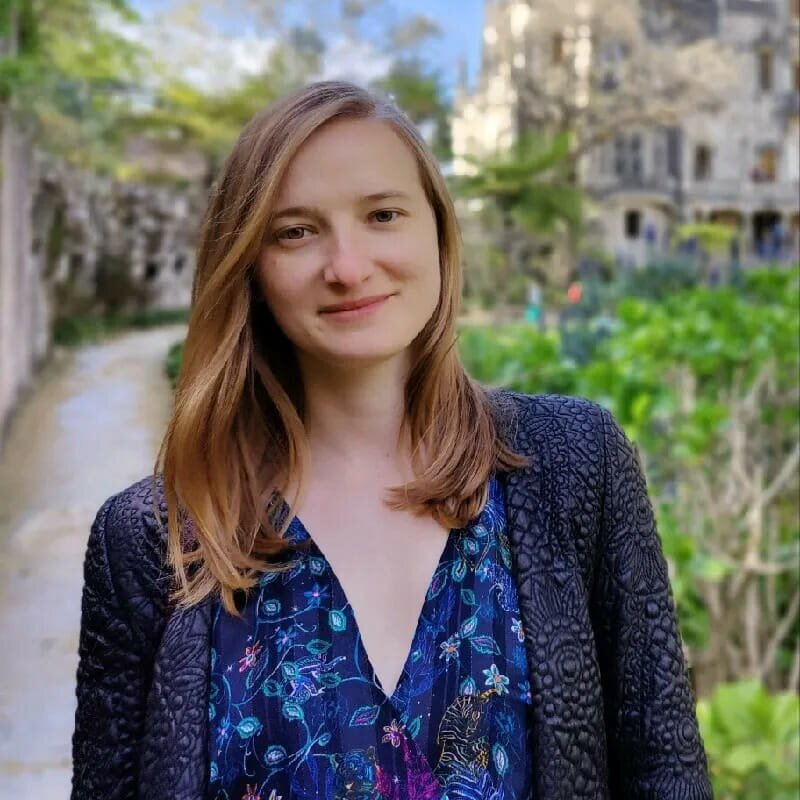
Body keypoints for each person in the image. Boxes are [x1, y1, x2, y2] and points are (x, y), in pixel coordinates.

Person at [70, 81, 712, 800]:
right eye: (296, 231)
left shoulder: (574, 464)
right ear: (249, 266)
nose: (347, 267)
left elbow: (666, 770)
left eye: (382, 215)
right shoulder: (150, 540)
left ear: (438, 231)